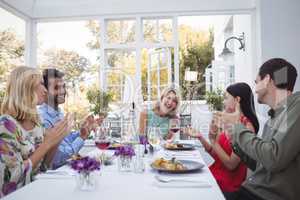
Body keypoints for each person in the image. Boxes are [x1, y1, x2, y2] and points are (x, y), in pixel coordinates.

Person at [213, 58, 300, 200]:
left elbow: (273, 158)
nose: (255, 88)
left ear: (266, 80)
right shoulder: (273, 118)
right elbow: (260, 163)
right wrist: (235, 141)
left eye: (256, 82)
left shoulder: (297, 106)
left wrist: (238, 127)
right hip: (249, 191)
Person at [0, 66, 73, 197]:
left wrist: (56, 140)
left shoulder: (36, 123)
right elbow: (11, 180)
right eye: (41, 84)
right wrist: (46, 144)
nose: (45, 90)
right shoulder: (6, 125)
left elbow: (43, 168)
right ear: (26, 87)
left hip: (38, 192)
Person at [186, 83, 259, 199]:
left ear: (237, 100)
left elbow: (231, 165)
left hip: (228, 187)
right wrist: (202, 137)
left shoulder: (247, 127)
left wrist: (214, 141)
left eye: (226, 98)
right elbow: (217, 155)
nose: (224, 102)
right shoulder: (228, 121)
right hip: (213, 177)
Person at [38, 68, 101, 169]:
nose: (63, 91)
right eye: (56, 88)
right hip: (55, 175)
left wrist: (83, 131)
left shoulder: (58, 113)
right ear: (45, 91)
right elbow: (59, 158)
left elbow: (65, 140)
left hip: (66, 170)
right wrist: (82, 138)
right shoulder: (42, 118)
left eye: (63, 87)